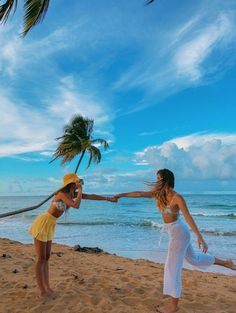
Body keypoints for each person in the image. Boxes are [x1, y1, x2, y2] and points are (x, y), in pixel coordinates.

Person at [114, 168, 236, 313]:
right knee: (195, 259)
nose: (156, 181)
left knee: (172, 267)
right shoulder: (159, 195)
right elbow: (138, 193)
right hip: (173, 231)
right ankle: (225, 262)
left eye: (158, 178)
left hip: (179, 233)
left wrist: (200, 237)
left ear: (165, 180)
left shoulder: (177, 197)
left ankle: (173, 305)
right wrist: (120, 195)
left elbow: (188, 217)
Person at [29, 173, 116, 297]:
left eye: (80, 182)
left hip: (51, 224)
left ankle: (47, 287)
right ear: (71, 183)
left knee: (47, 257)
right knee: (41, 259)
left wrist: (108, 199)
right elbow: (76, 205)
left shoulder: (72, 194)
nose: (80, 184)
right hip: (43, 223)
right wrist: (80, 190)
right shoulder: (61, 194)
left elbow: (91, 196)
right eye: (78, 182)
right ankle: (42, 290)